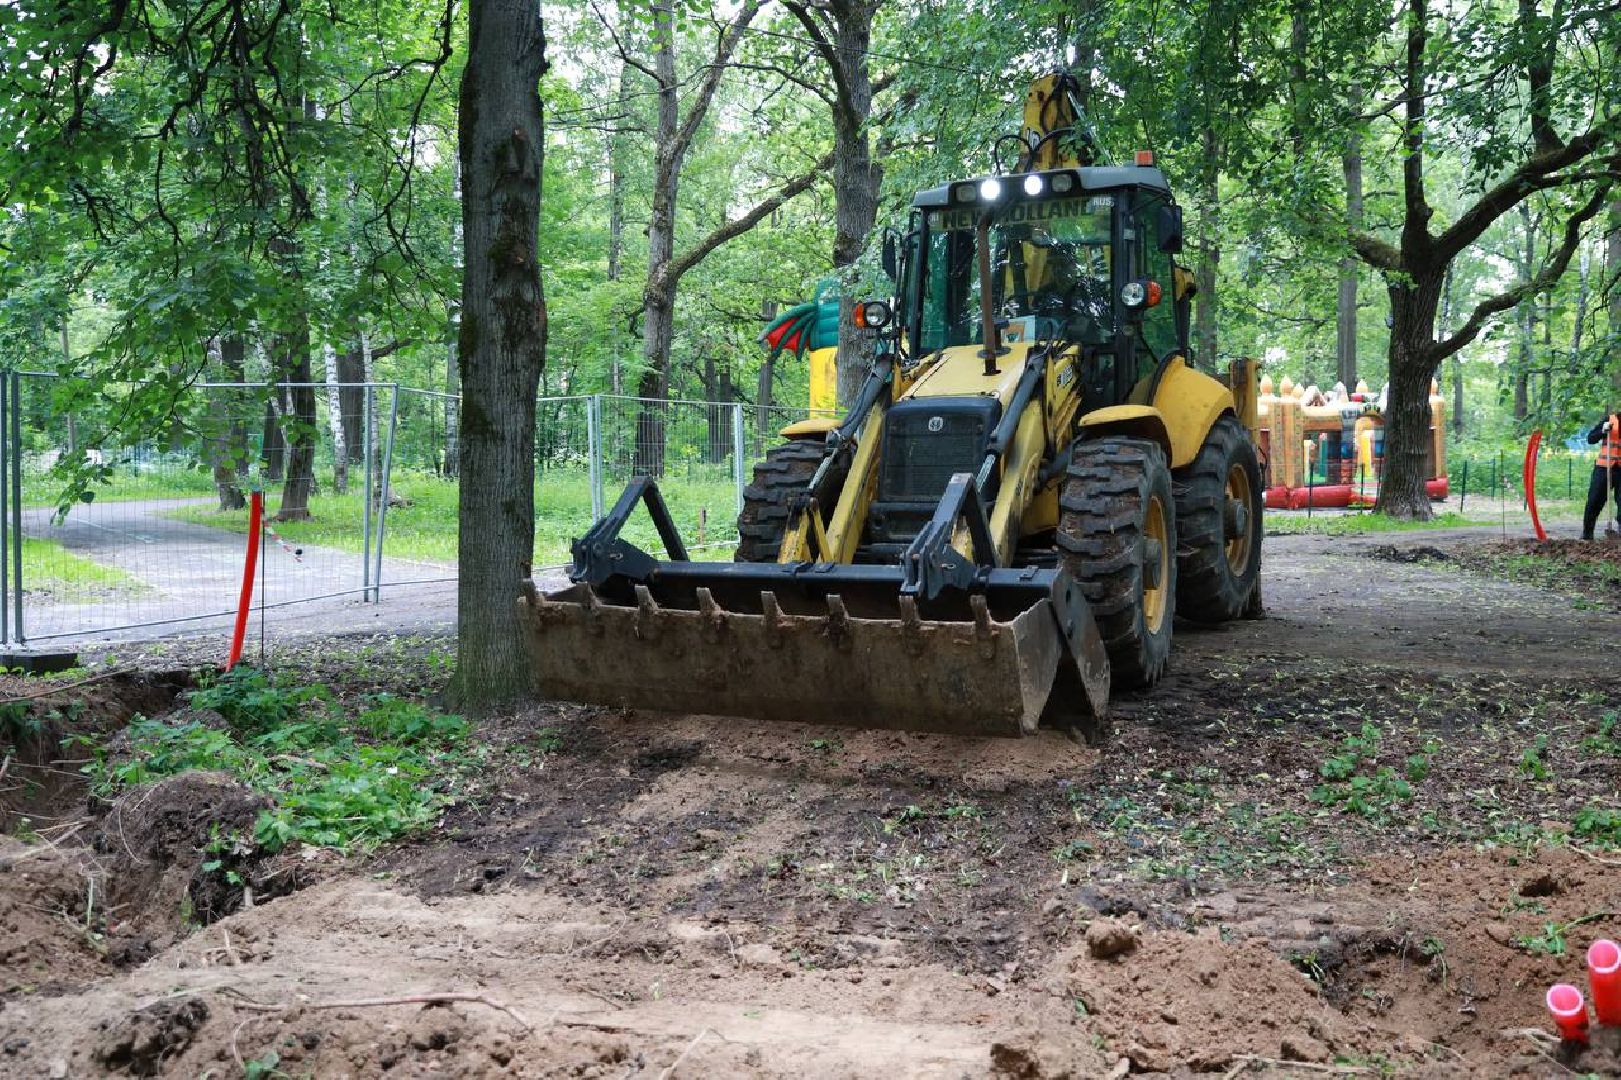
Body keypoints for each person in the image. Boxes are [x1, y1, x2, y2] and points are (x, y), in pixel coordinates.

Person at [1582, 410, 1621, 540]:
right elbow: (1591, 439)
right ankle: (1587, 534)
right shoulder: (1610, 420)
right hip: (1604, 468)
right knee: (1594, 500)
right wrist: (1603, 431)